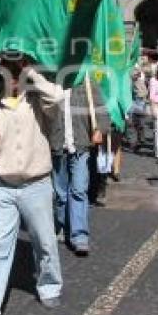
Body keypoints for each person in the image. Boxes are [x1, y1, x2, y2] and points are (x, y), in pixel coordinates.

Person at [0, 55, 65, 315]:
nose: (13, 80)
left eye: (17, 74)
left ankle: (49, 286)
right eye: (8, 75)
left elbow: (57, 98)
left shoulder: (39, 103)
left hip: (37, 185)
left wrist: (30, 71)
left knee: (44, 241)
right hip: (5, 188)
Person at [51, 82, 108, 254]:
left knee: (78, 190)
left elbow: (102, 112)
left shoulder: (88, 84)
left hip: (81, 146)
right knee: (60, 194)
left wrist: (101, 129)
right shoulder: (51, 84)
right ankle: (62, 226)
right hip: (57, 146)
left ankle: (79, 236)